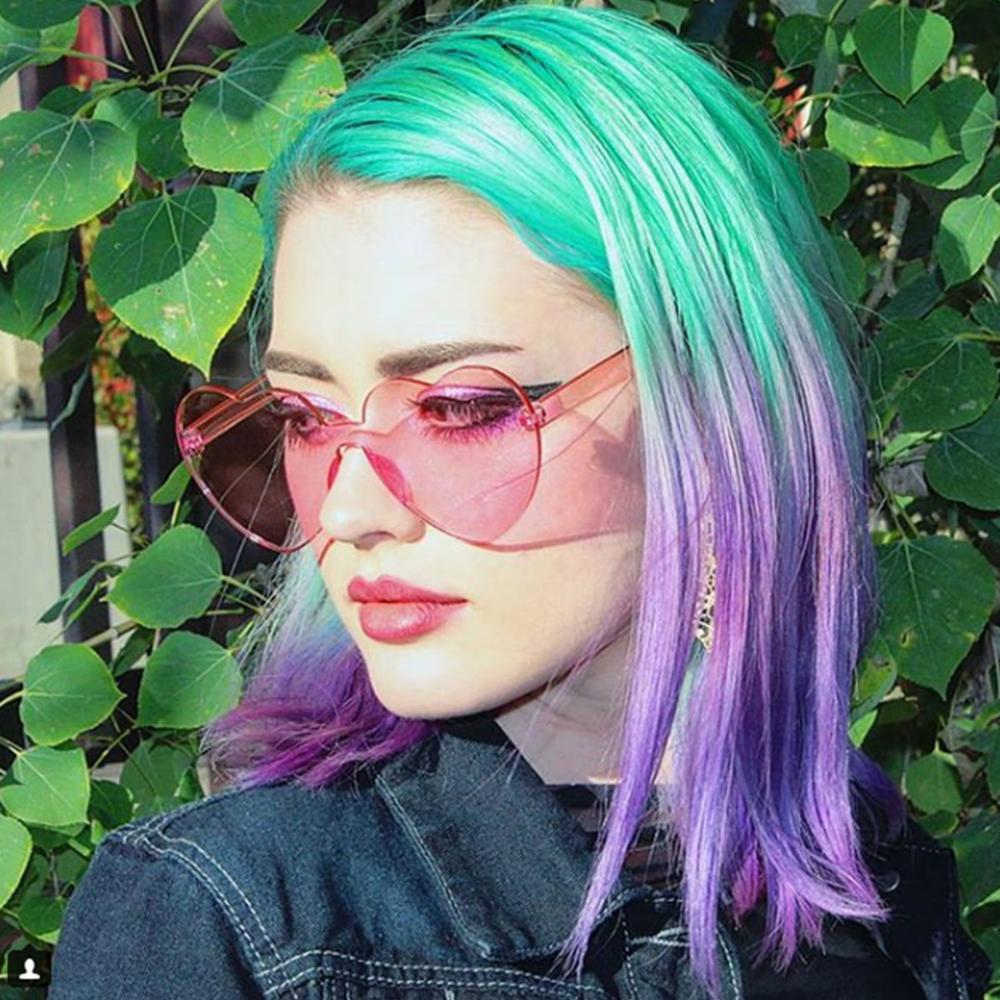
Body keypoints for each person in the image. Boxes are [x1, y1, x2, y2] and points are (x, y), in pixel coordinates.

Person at [49, 5, 993, 999]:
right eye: (304, 415)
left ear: (717, 409)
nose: (349, 511)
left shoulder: (881, 888)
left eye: (459, 408)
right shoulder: (227, 918)